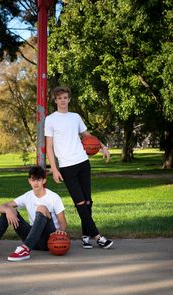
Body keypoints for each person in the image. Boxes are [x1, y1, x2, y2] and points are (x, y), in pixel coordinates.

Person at [45, 86, 113, 249]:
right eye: (60, 98)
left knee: (88, 202)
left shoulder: (75, 117)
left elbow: (87, 136)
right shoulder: (50, 119)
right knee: (80, 203)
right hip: (67, 166)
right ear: (55, 100)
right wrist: (54, 169)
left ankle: (85, 236)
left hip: (83, 162)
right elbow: (49, 146)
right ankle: (98, 237)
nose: (63, 100)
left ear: (69, 99)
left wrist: (102, 146)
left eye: (65, 97)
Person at [0, 166, 67, 261]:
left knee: (41, 208)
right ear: (29, 181)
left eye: (38, 180)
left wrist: (61, 231)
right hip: (33, 240)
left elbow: (63, 223)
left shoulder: (54, 197)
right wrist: (8, 210)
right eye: (33, 179)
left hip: (50, 240)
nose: (35, 183)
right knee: (8, 210)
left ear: (43, 181)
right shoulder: (27, 196)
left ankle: (25, 249)